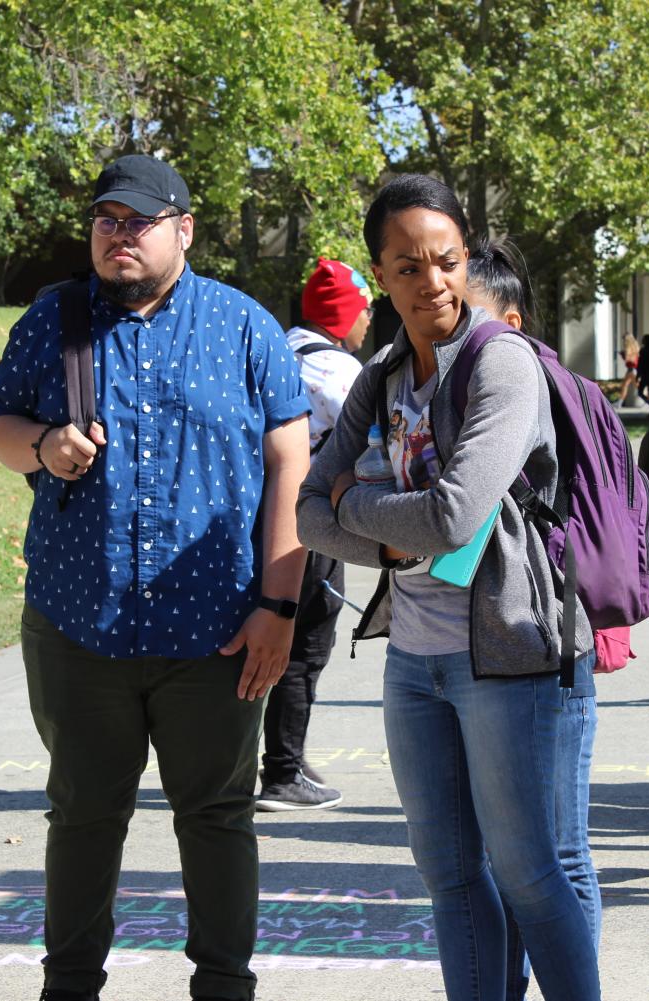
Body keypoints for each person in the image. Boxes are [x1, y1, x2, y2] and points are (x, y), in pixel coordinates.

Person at [0, 154, 310, 1001]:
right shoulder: (51, 321)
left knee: (217, 817)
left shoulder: (244, 327)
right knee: (83, 818)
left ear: (183, 230)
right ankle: (70, 986)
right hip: (77, 625)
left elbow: (290, 467)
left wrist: (278, 603)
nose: (118, 235)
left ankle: (225, 985)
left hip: (216, 631)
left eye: (139, 221)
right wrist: (43, 446)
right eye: (106, 221)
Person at [298, 174, 599, 1000]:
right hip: (415, 659)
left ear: (465, 259)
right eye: (405, 266)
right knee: (451, 878)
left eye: (445, 260)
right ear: (381, 274)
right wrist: (394, 536)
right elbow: (303, 518)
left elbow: (456, 517)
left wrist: (357, 504)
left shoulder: (501, 362)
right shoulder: (381, 375)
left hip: (511, 655)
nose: (429, 281)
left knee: (531, 875)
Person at [466, 239, 601, 1001]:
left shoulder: (521, 384)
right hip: (499, 641)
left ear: (510, 321)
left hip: (546, 638)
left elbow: (460, 515)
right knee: (516, 855)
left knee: (556, 852)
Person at [256, 258, 372, 812]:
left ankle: (280, 757)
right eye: (365, 309)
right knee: (305, 646)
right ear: (344, 314)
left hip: (251, 519)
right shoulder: (341, 374)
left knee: (256, 640)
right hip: (308, 527)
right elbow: (378, 447)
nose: (369, 320)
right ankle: (282, 771)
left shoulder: (272, 349)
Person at [617, 332, 640, 406]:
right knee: (637, 386)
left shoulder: (628, 348)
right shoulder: (635, 346)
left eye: (624, 340)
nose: (623, 342)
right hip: (633, 369)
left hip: (631, 369)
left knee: (625, 385)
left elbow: (628, 359)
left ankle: (619, 403)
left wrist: (623, 355)